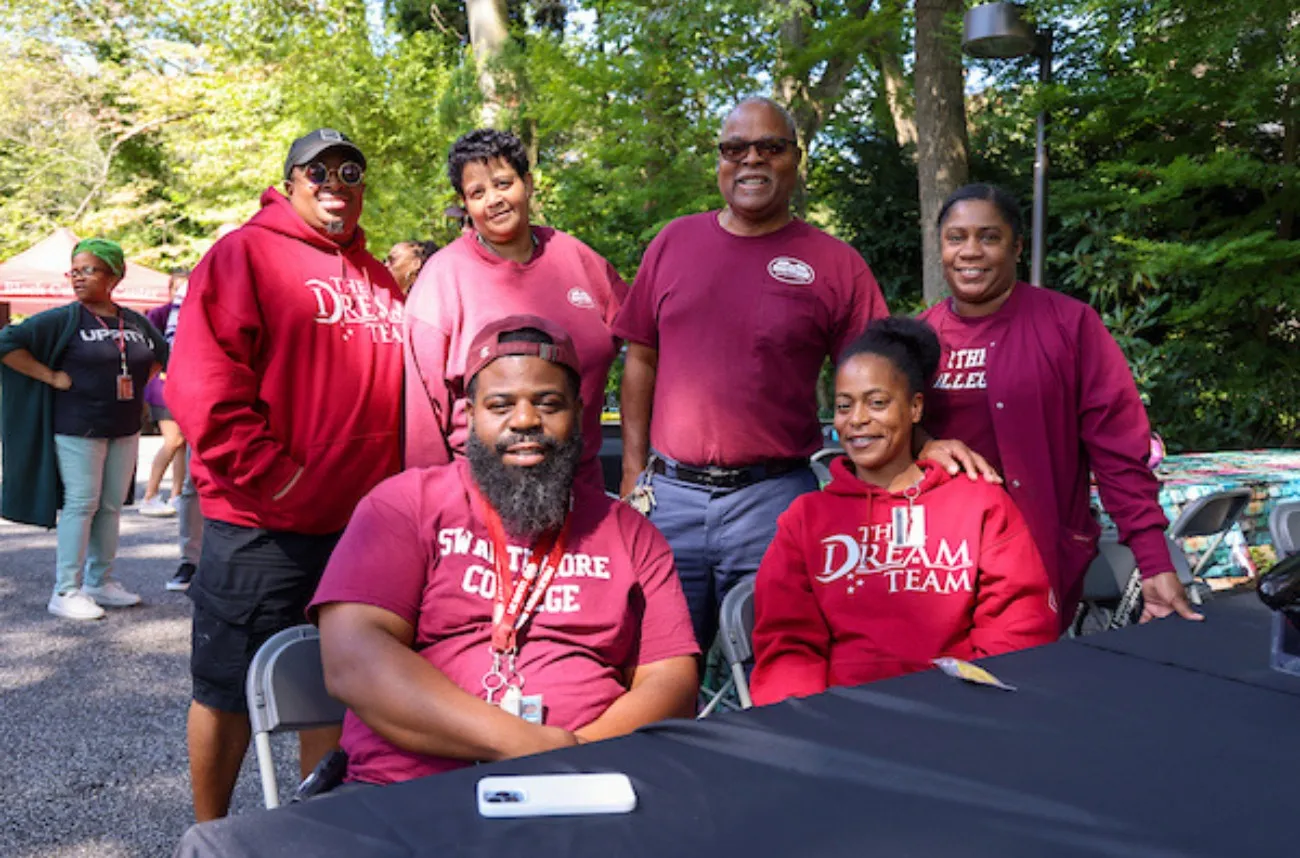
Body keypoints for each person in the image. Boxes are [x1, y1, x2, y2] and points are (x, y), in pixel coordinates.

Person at [310, 316, 698, 786]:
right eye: (500, 404)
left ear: (578, 411)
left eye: (548, 403)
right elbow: (354, 659)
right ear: (470, 414)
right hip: (412, 790)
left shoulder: (628, 532)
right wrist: (528, 746)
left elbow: (671, 681)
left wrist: (575, 759)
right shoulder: (404, 505)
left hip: (591, 786)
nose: (525, 420)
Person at [167, 128, 405, 821]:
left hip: (361, 528)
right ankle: (209, 833)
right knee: (225, 688)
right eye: (318, 170)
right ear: (291, 180)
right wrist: (277, 480)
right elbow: (204, 386)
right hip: (262, 524)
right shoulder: (242, 254)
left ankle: (312, 827)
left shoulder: (378, 276)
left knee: (336, 683)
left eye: (350, 171)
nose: (336, 183)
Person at [611, 96, 893, 649]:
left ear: (796, 159)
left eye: (770, 147)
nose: (751, 160)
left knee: (778, 665)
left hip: (775, 500)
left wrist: (873, 481)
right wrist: (631, 474)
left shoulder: (835, 264)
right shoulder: (673, 242)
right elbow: (640, 358)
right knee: (658, 665)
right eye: (735, 148)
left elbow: (873, 380)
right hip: (669, 498)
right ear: (719, 160)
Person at [918, 183, 1201, 630]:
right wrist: (923, 442)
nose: (970, 251)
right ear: (940, 247)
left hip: (1040, 560)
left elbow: (1119, 449)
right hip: (935, 564)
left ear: (1016, 246)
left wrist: (1153, 561)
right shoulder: (917, 340)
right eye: (956, 238)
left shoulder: (1069, 326)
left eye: (988, 237)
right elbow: (880, 439)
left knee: (1025, 687)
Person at [749, 318, 1058, 705]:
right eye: (844, 406)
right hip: (842, 727)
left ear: (915, 408)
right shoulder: (806, 518)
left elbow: (1018, 625)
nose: (857, 419)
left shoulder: (980, 503)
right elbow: (788, 645)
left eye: (877, 403)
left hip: (962, 718)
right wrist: (809, 728)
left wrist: (982, 708)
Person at [403, 128, 627, 492]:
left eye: (503, 183)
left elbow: (643, 346)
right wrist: (432, 501)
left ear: (528, 183)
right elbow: (421, 417)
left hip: (580, 486)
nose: (493, 200)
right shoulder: (442, 279)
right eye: (477, 192)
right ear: (464, 203)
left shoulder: (577, 259)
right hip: (481, 492)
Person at [0, 238, 168, 620]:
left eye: (87, 270)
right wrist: (50, 376)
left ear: (113, 276)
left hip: (124, 428)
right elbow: (7, 342)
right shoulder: (62, 318)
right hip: (77, 427)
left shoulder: (134, 321)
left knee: (110, 506)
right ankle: (66, 590)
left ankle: (100, 582)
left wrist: (138, 384)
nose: (77, 277)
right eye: (74, 271)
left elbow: (161, 354)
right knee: (81, 504)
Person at [139, 268, 191, 516]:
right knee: (174, 440)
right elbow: (150, 347)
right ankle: (150, 494)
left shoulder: (192, 313)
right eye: (176, 288)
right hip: (162, 383)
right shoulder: (159, 314)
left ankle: (176, 494)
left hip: (184, 382)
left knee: (183, 444)